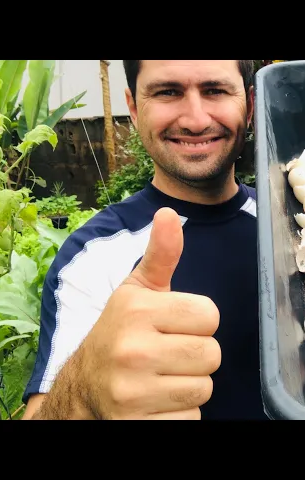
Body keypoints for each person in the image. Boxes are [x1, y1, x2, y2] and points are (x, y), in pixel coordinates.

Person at [21, 60, 268, 420]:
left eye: (215, 90)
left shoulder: (295, 224)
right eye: (168, 92)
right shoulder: (95, 255)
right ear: (134, 109)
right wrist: (85, 391)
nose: (195, 120)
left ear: (249, 105)